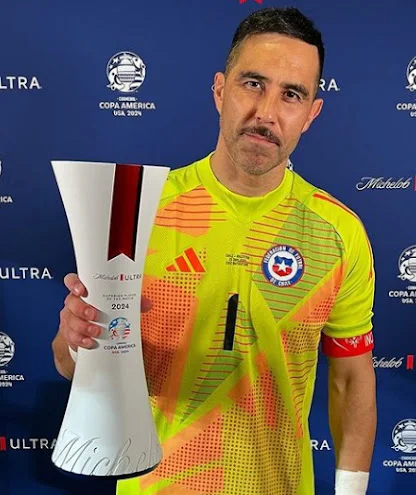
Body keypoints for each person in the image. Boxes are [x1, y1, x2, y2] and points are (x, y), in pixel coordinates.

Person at [52, 7, 376, 495]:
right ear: (220, 90)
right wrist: (77, 338)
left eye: (291, 94)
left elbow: (350, 381)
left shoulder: (338, 232)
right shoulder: (140, 210)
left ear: (311, 114)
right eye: (253, 84)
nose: (267, 112)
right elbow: (69, 363)